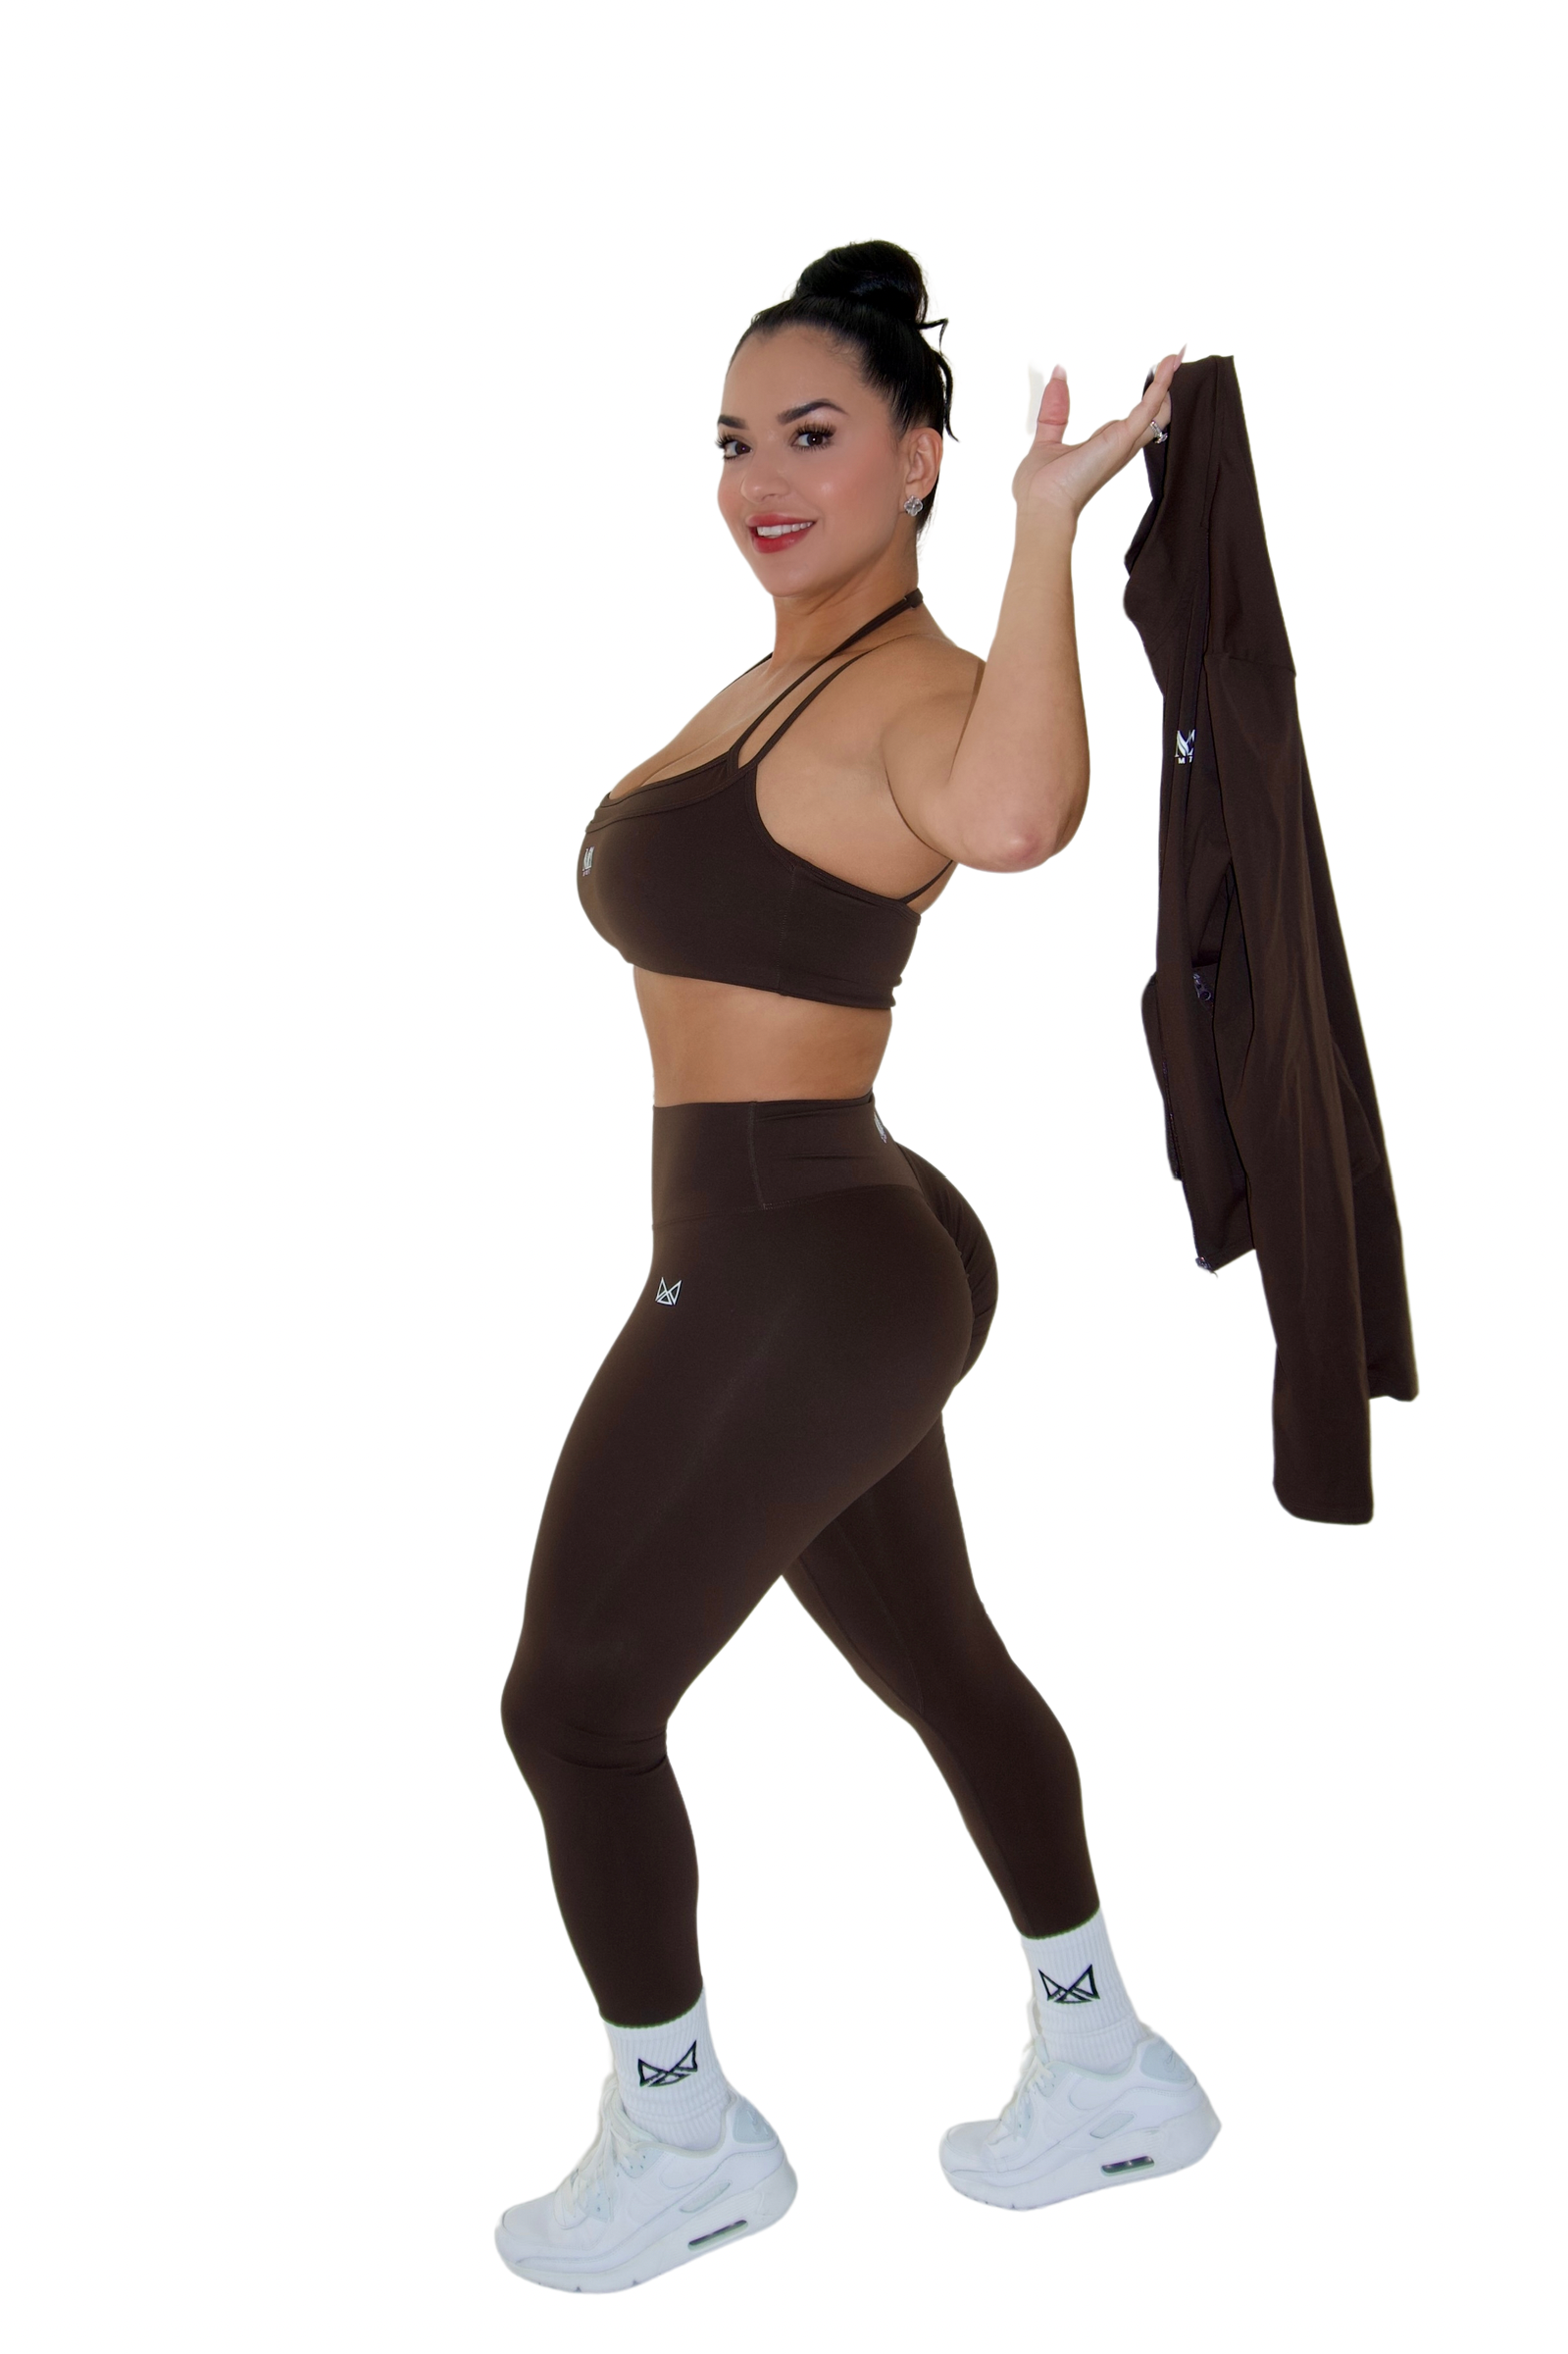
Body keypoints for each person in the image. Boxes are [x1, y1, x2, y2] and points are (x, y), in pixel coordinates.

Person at [494, 241, 1214, 2295]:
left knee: (576, 1702)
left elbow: (1015, 816)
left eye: (813, 435)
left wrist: (1046, 532)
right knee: (943, 1661)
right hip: (827, 1244)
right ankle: (1107, 2066)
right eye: (734, 441)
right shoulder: (780, 665)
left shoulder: (914, 690)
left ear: (917, 458)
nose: (761, 479)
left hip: (798, 1257)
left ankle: (680, 2136)